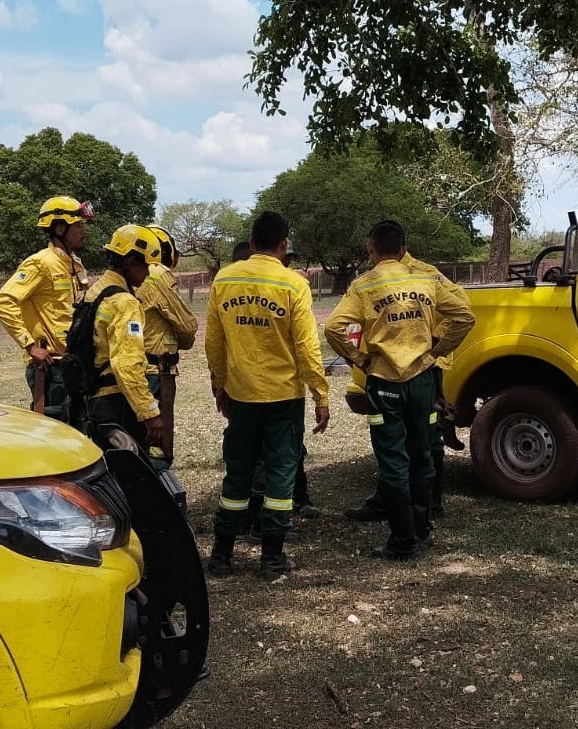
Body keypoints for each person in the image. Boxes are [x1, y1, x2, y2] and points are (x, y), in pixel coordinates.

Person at [325, 220, 475, 560]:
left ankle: (402, 540)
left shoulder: (364, 285)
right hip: (423, 379)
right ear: (404, 249)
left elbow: (335, 327)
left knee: (393, 459)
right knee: (422, 452)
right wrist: (437, 349)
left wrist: (359, 359)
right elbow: (465, 315)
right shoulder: (427, 279)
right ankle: (421, 531)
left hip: (385, 382)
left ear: (370, 249)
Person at [205, 211, 330, 578]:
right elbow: (307, 346)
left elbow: (214, 342)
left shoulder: (224, 280)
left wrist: (220, 384)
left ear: (252, 239)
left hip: (241, 396)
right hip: (283, 399)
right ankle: (272, 557)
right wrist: (320, 394)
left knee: (238, 474)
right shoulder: (293, 284)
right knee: (279, 475)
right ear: (283, 243)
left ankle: (221, 555)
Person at [344, 236, 468, 522]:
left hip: (423, 368)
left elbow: (461, 307)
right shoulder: (378, 277)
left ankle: (429, 504)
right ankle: (387, 502)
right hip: (391, 369)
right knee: (392, 439)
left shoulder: (425, 273)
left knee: (426, 438)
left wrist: (438, 344)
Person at [0, 195, 94, 422]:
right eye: (77, 226)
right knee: (54, 429)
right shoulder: (41, 262)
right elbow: (3, 301)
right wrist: (30, 346)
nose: (82, 232)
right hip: (51, 368)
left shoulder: (73, 263)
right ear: (59, 229)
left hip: (72, 362)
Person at [82, 224, 164, 453]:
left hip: (95, 403)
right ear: (129, 261)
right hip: (118, 404)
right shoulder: (125, 302)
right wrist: (149, 413)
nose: (148, 273)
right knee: (132, 478)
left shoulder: (96, 291)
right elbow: (126, 364)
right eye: (145, 265)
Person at [136, 225, 198, 469]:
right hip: (155, 372)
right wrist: (185, 341)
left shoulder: (127, 275)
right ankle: (156, 484)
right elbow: (187, 326)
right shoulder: (158, 274)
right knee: (158, 441)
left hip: (135, 368)